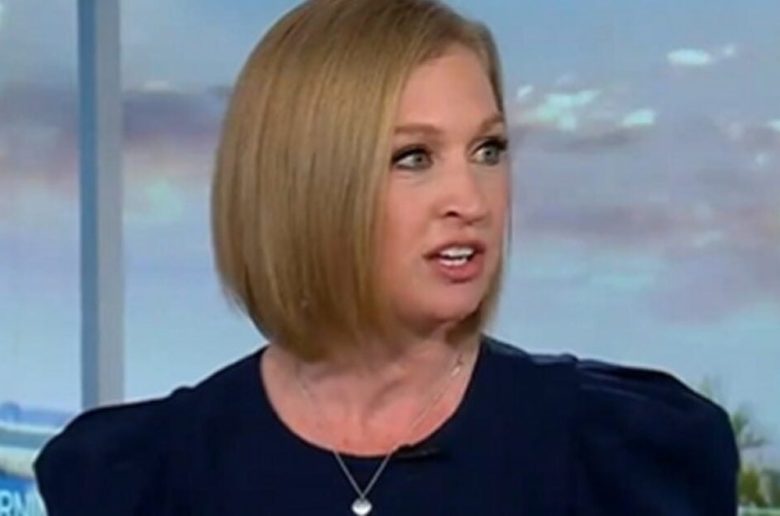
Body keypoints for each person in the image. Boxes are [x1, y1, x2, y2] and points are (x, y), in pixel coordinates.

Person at [34, 0, 740, 514]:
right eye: (414, 157)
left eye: (488, 149)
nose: (471, 199)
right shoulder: (140, 478)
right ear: (307, 185)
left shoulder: (625, 455)